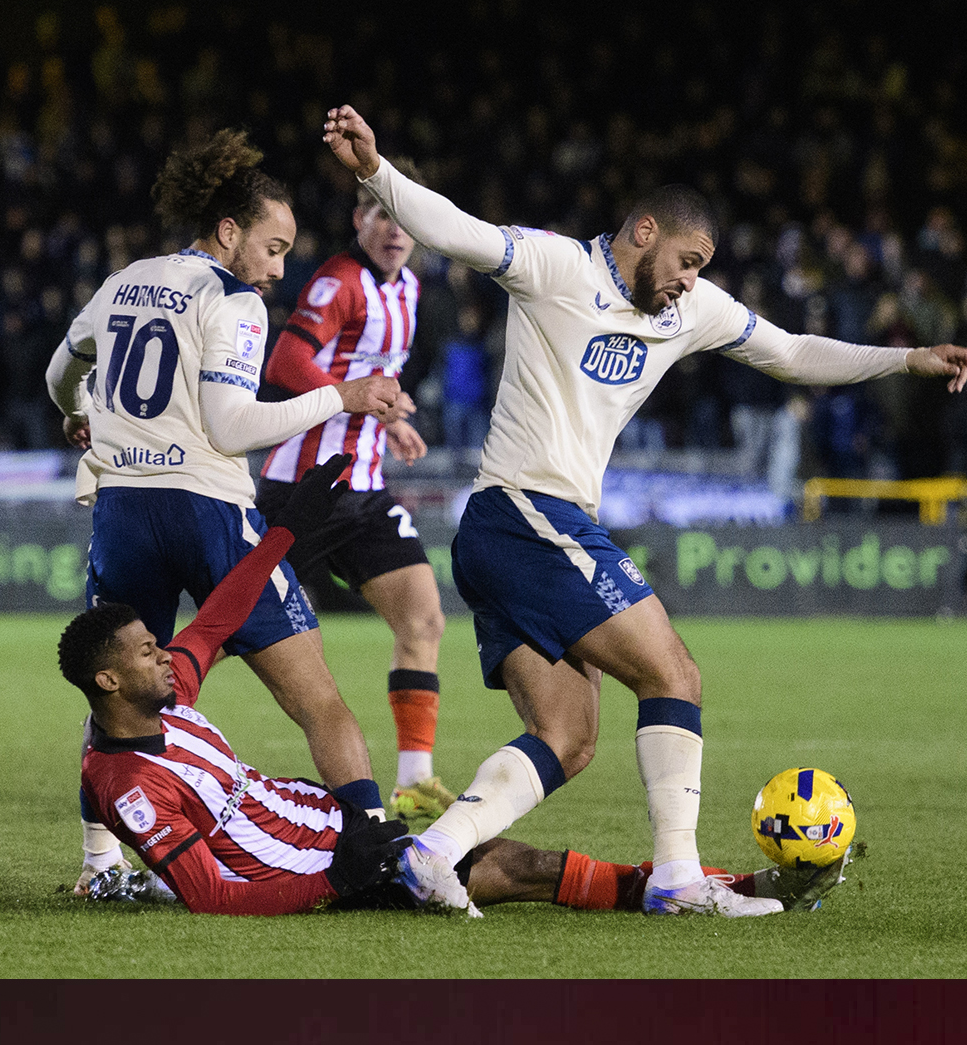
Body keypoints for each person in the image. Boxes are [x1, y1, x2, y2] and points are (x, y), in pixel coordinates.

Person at [322, 104, 967, 918]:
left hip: (513, 533)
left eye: (701, 268)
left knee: (568, 738)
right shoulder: (558, 267)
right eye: (687, 260)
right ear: (644, 231)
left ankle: (432, 854)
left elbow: (792, 351)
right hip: (527, 512)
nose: (690, 279)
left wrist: (907, 358)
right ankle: (677, 878)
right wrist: (376, 172)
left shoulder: (688, 312)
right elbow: (457, 230)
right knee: (675, 675)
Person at [61, 456, 847, 916]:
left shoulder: (167, 696)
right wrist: (339, 874)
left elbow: (221, 614)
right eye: (144, 652)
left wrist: (286, 532)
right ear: (107, 680)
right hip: (316, 865)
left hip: (328, 821)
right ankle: (724, 885)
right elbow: (210, 895)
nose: (165, 654)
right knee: (511, 865)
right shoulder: (128, 783)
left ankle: (706, 884)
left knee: (498, 857)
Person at [44, 129, 405, 893]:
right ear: (229, 231)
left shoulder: (125, 281)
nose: (277, 270)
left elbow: (58, 372)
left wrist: (79, 411)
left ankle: (99, 866)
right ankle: (379, 849)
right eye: (272, 249)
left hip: (122, 513)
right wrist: (340, 395)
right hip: (206, 510)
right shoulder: (232, 301)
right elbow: (232, 427)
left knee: (117, 693)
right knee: (316, 699)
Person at [254, 169, 457, 828]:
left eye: (404, 218)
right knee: (236, 629)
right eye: (381, 214)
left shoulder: (410, 289)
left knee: (423, 620)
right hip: (305, 488)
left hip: (364, 489)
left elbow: (368, 377)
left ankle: (414, 781)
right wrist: (360, 401)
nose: (394, 230)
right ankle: (150, 736)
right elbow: (286, 363)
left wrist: (389, 420)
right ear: (358, 220)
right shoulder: (339, 281)